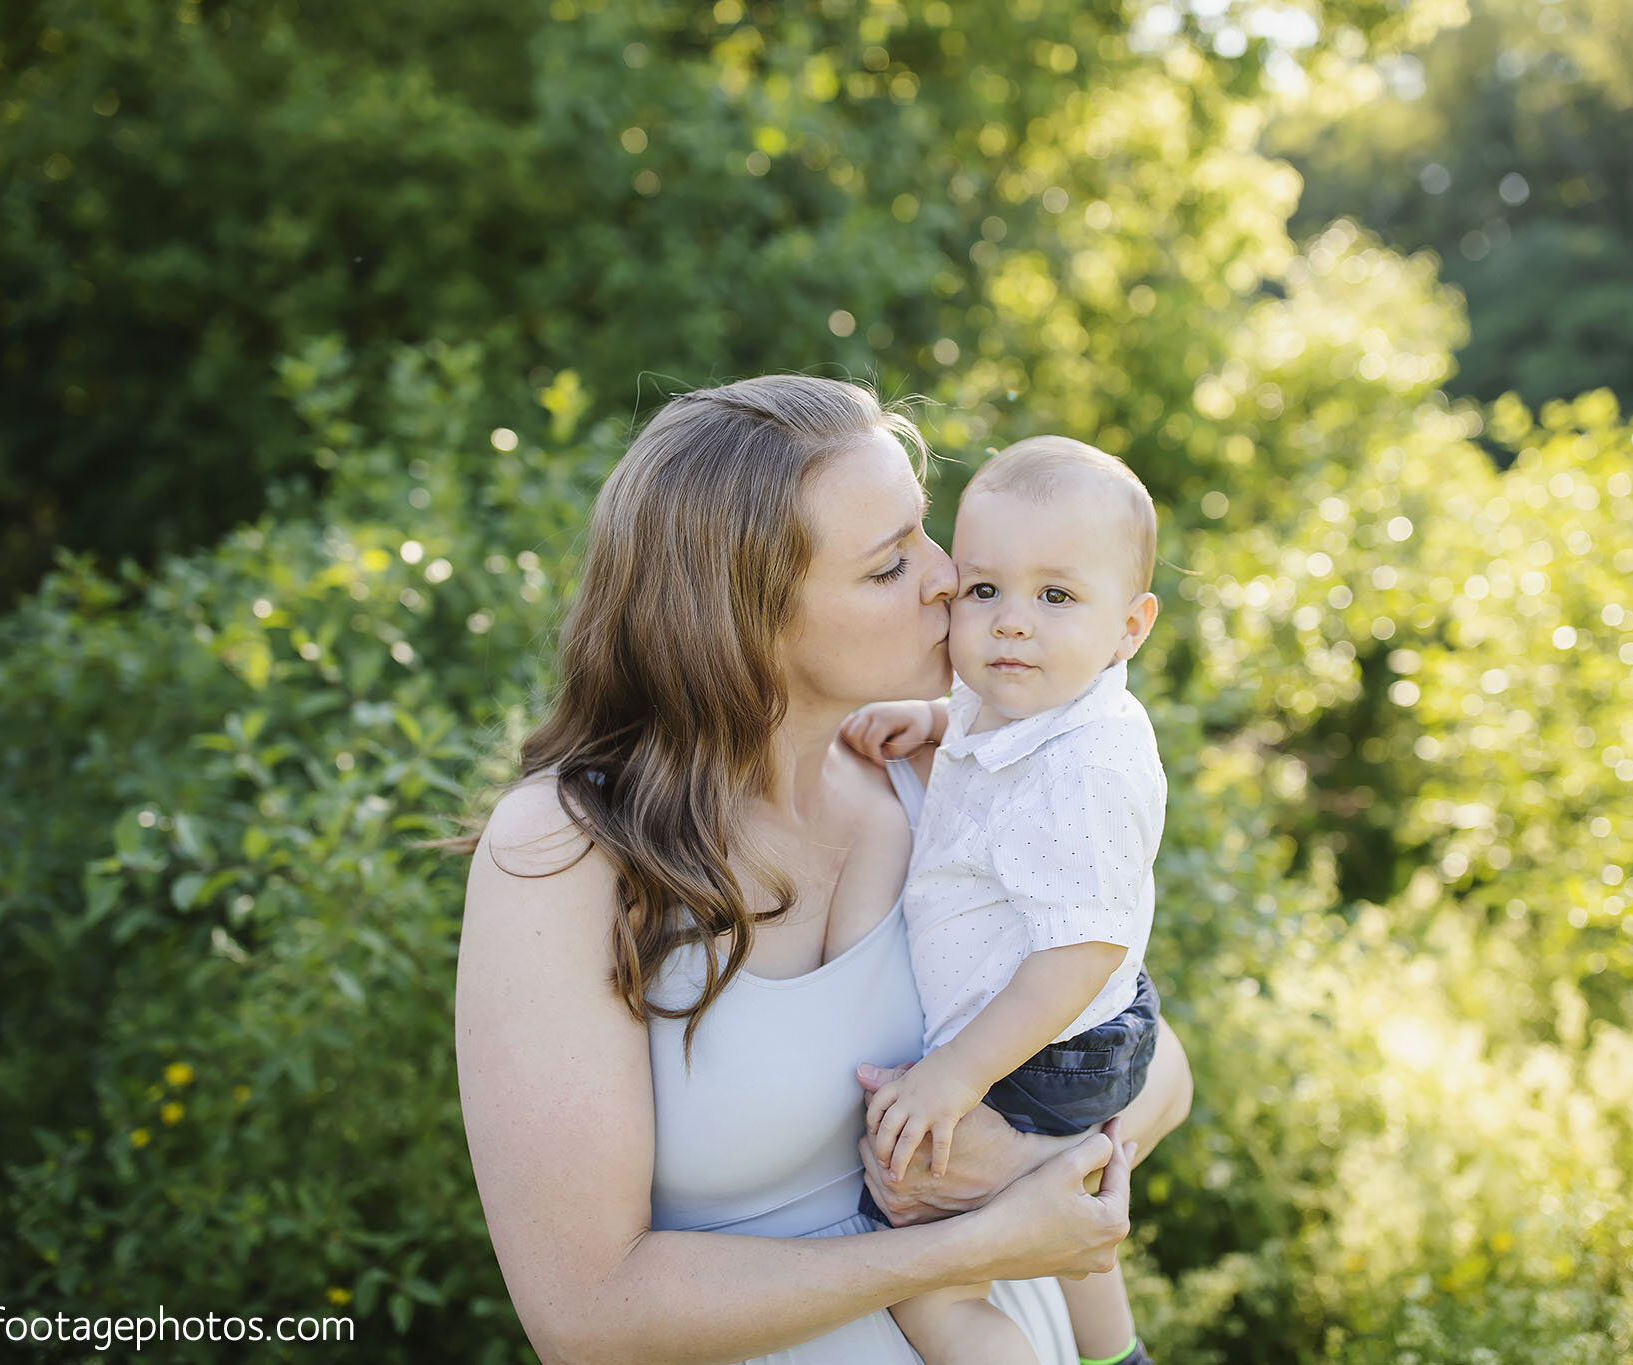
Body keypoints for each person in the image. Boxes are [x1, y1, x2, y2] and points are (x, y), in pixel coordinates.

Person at [446, 375, 1195, 1364]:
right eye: (890, 567)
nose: (947, 577)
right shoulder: (563, 855)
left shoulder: (938, 762)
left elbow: (1155, 1059)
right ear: (740, 621)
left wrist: (1025, 1163)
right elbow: (586, 1316)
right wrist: (968, 1245)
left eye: (925, 533)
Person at [838, 436, 1167, 1365]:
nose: (1011, 622)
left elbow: (1084, 950)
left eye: (1056, 595)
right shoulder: (1028, 702)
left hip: (1037, 1046)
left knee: (931, 1275)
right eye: (985, 590)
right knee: (1071, 1240)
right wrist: (939, 720)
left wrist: (958, 1074)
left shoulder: (1090, 766)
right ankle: (1116, 1357)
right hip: (1073, 1034)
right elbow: (995, 731)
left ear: (1131, 627)